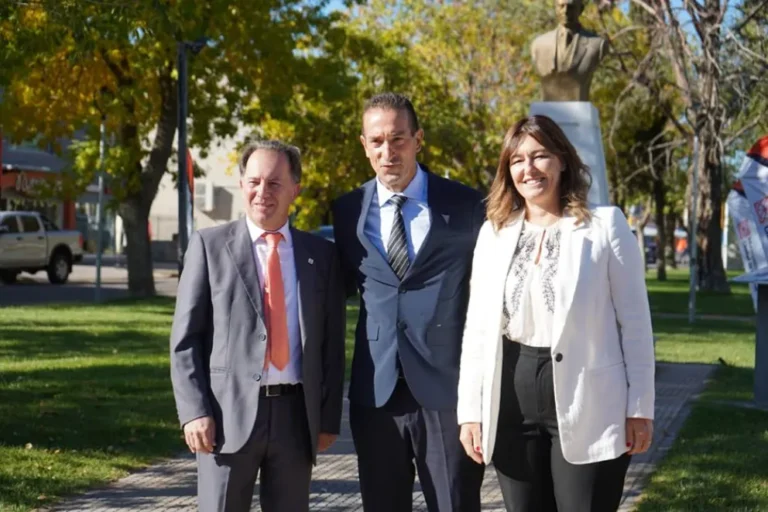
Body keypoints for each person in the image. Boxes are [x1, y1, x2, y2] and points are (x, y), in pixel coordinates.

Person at [457, 115, 655, 511]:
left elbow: (635, 324)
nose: (528, 169)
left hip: (589, 398)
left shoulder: (605, 226)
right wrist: (471, 413)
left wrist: (640, 410)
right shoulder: (493, 234)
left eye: (540, 156)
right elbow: (477, 330)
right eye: (516, 160)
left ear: (563, 160)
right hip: (511, 397)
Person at [170, 140, 346, 512]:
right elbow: (185, 341)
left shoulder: (320, 255)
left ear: (295, 189)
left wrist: (328, 418)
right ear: (241, 184)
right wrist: (194, 412)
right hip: (225, 417)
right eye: (253, 182)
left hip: (295, 420)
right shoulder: (208, 246)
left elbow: (330, 344)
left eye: (274, 183)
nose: (262, 192)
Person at [332, 92, 486, 511]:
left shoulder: (469, 206)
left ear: (418, 139)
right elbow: (332, 294)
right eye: (377, 141)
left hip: (447, 394)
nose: (388, 152)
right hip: (376, 395)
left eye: (398, 139)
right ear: (364, 145)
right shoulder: (347, 212)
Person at [531, 0, 609, 102]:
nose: (566, 11)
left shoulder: (597, 44)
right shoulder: (539, 45)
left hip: (579, 107)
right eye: (561, 6)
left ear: (580, 9)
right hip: (547, 110)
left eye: (571, 7)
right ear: (556, 8)